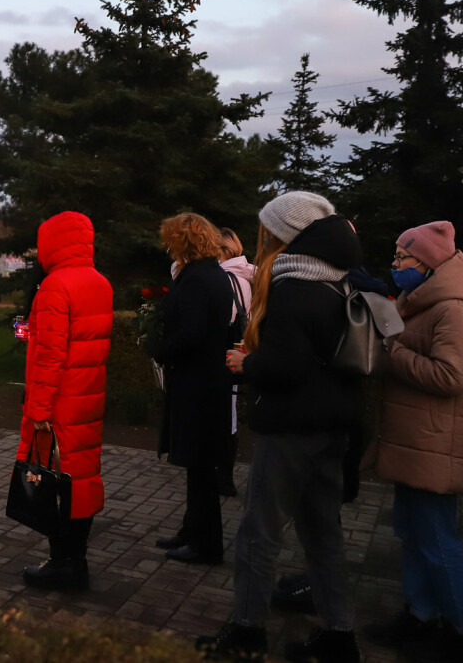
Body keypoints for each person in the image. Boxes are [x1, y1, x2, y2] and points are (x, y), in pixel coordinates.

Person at [199, 191, 363, 663]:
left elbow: (288, 367)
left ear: (285, 233)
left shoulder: (293, 284)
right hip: (334, 423)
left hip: (292, 427)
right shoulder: (338, 280)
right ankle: (339, 633)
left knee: (259, 532)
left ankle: (247, 629)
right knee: (322, 534)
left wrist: (247, 364)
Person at [359, 221, 463, 660]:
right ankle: (420, 616)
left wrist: (391, 352)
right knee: (414, 534)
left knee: (436, 539)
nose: (395, 265)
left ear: (429, 264)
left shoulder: (454, 310)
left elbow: (450, 376)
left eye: (402, 258)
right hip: (420, 442)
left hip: (438, 445)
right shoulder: (422, 304)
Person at [18, 211, 113, 591]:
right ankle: (77, 560)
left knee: (55, 484)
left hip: (59, 404)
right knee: (82, 479)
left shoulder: (56, 286)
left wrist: (38, 407)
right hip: (87, 399)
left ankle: (64, 563)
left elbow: (50, 355)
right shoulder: (99, 282)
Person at [150, 214, 235, 565]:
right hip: (204, 379)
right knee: (197, 466)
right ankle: (192, 530)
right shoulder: (210, 273)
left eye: (172, 240)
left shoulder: (199, 278)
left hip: (199, 383)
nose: (168, 246)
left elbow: (192, 332)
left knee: (200, 466)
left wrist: (159, 348)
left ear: (185, 241)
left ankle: (207, 544)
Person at [218, 226, 254, 498]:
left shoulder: (224, 278)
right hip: (239, 348)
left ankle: (223, 478)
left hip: (221, 354)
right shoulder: (245, 276)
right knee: (229, 412)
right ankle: (226, 476)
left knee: (222, 412)